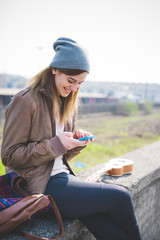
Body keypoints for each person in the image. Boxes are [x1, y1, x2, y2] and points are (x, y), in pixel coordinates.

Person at [1, 37, 142, 240]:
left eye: (80, 83)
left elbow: (58, 157)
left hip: (62, 179)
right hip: (39, 188)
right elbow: (9, 156)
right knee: (121, 197)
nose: (74, 88)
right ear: (54, 69)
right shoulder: (25, 100)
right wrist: (56, 144)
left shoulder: (67, 101)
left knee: (107, 227)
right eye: (71, 80)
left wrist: (75, 142)